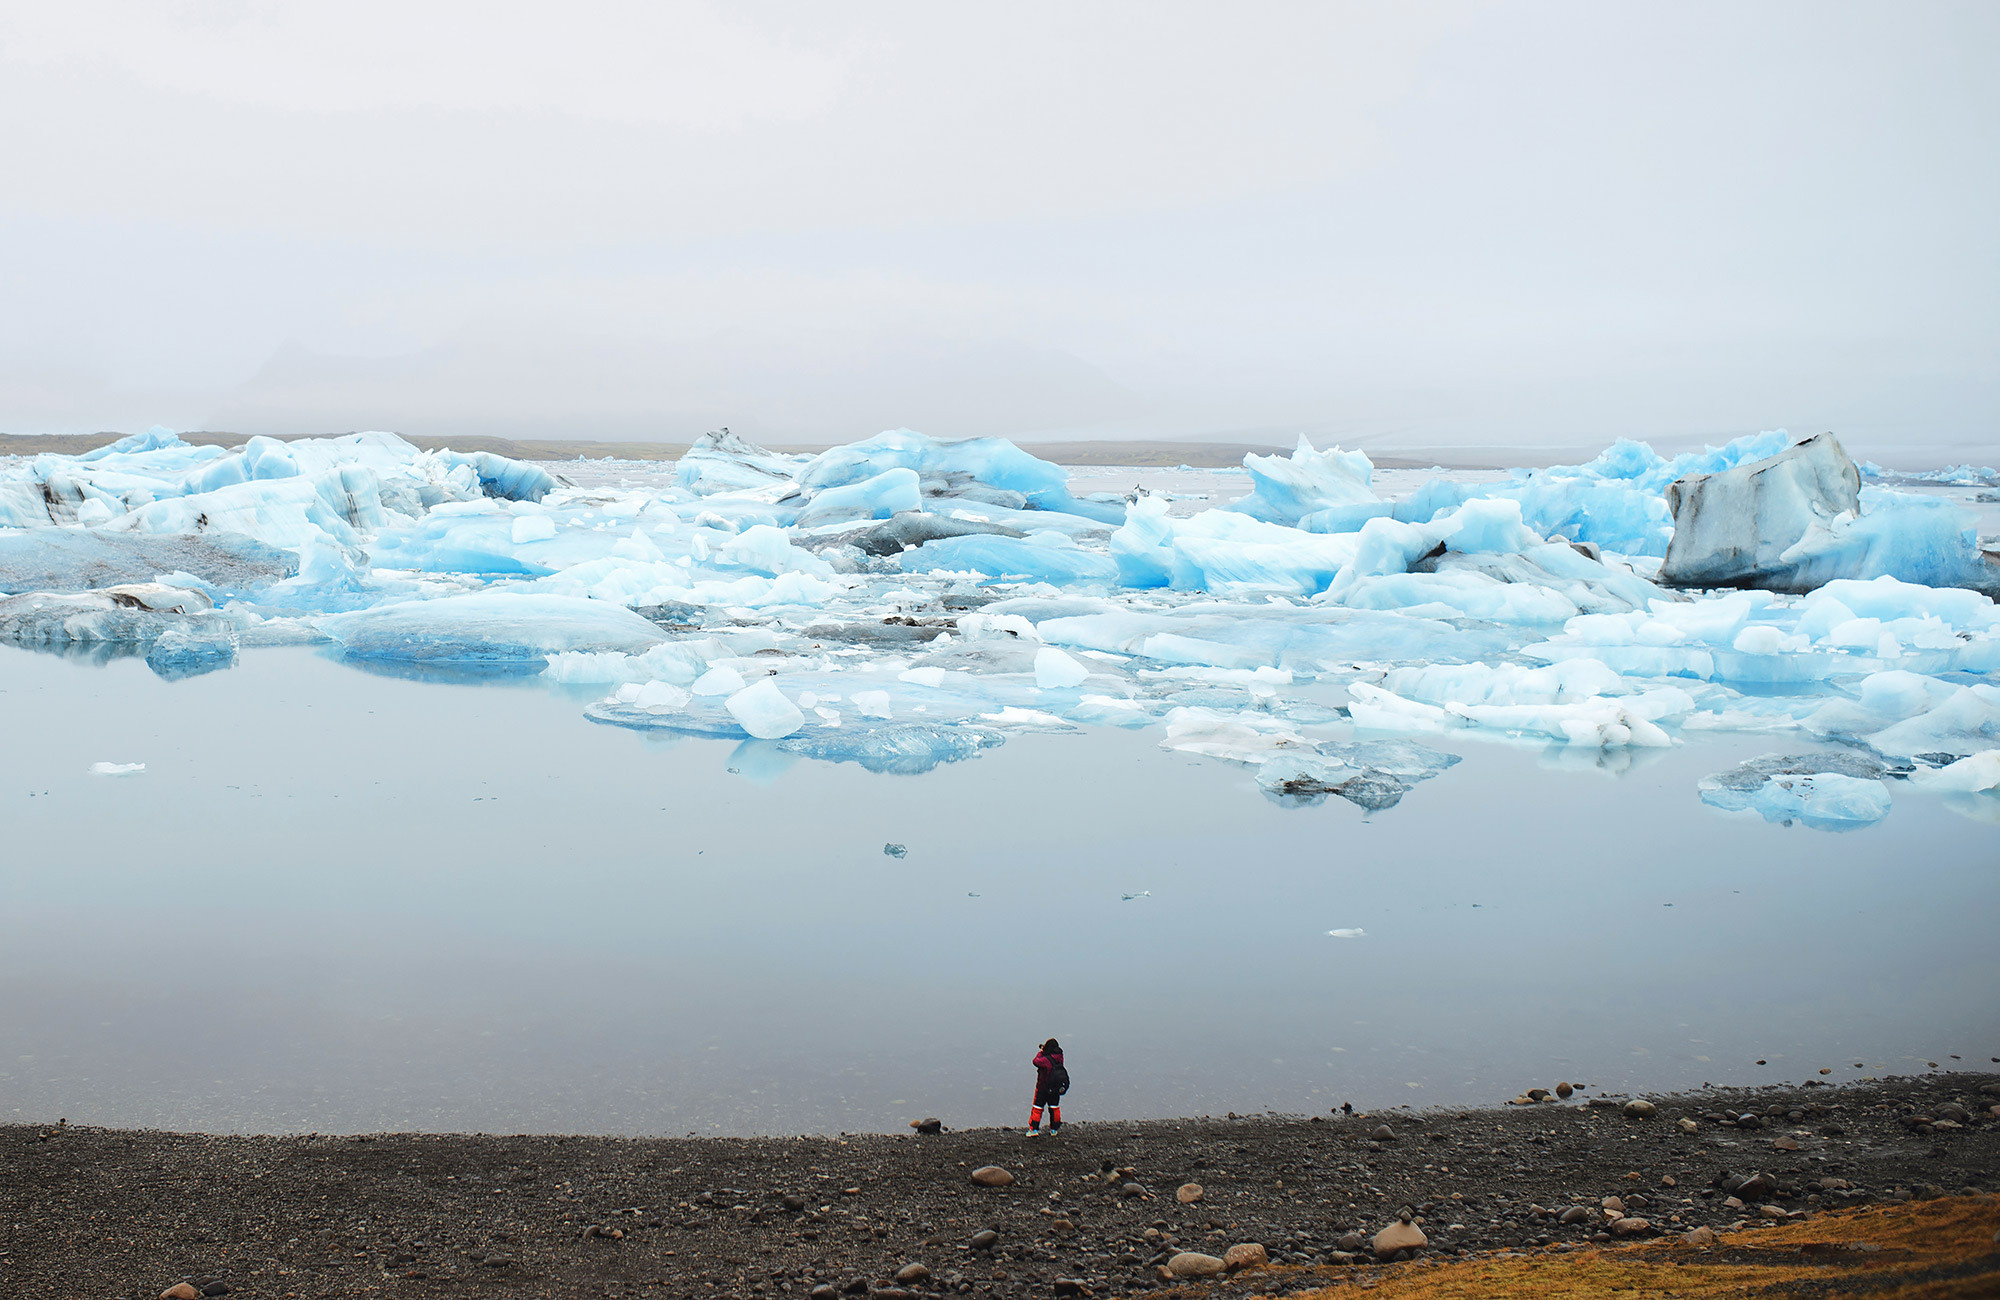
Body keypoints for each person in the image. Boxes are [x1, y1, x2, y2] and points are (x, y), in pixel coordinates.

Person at [1027, 1038, 1067, 1136]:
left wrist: (1041, 1052)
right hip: (1055, 1088)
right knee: (1054, 1107)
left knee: (1037, 1108)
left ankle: (1034, 1130)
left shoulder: (1045, 1060)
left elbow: (1036, 1061)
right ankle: (1054, 1129)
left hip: (1043, 1087)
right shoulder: (1060, 1056)